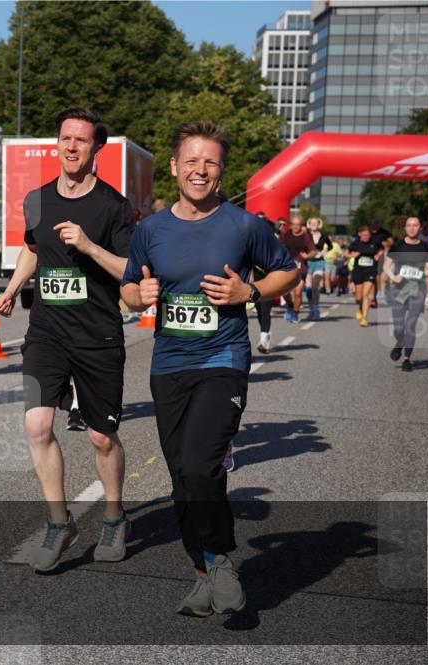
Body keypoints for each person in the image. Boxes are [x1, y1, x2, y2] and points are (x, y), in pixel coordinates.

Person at [121, 120, 297, 617]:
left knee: (199, 464)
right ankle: (202, 572)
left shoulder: (243, 226)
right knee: (182, 477)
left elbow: (289, 270)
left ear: (221, 171)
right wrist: (140, 296)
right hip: (168, 364)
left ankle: (219, 558)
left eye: (211, 162)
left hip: (223, 359)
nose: (200, 170)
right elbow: (130, 287)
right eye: (191, 161)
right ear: (175, 167)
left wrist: (252, 292)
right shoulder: (150, 230)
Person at [0, 108, 135, 571]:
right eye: (65, 138)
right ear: (57, 144)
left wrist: (91, 247)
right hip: (47, 332)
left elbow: (129, 274)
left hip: (97, 334)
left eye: (81, 140)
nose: (71, 147)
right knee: (36, 426)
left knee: (100, 437)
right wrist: (13, 289)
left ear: (97, 148)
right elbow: (32, 251)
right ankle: (60, 523)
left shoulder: (114, 207)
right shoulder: (36, 199)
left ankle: (113, 514)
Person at [384, 217, 428, 370]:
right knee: (398, 327)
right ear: (405, 228)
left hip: (418, 289)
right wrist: (393, 276)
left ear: (419, 228)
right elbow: (386, 265)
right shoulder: (398, 246)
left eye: (415, 225)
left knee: (411, 323)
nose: (412, 228)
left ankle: (406, 359)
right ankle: (399, 343)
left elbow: (427, 268)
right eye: (409, 225)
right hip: (399, 289)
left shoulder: (425, 247)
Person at [252, 214, 280, 353]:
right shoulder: (250, 241)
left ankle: (263, 338)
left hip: (270, 279)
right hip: (254, 280)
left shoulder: (274, 244)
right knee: (258, 309)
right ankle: (265, 334)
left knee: (265, 309)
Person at [279, 215, 313, 322]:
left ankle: (296, 313)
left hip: (301, 267)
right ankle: (290, 305)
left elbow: (313, 251)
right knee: (284, 291)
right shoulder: (286, 234)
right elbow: (278, 246)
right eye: (293, 224)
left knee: (298, 292)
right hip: (287, 266)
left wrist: (307, 256)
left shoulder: (305, 236)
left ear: (301, 225)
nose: (295, 227)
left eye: (297, 225)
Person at [347, 225, 383, 327]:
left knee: (365, 295)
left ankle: (365, 318)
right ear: (360, 235)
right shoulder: (356, 243)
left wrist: (378, 255)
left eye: (368, 235)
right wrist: (352, 256)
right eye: (364, 235)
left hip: (370, 270)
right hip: (358, 271)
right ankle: (360, 308)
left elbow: (381, 249)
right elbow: (346, 253)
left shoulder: (374, 242)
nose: (366, 237)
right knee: (359, 297)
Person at [305, 216, 333, 320]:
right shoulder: (306, 236)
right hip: (308, 263)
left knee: (314, 287)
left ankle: (316, 310)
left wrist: (325, 251)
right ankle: (311, 309)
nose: (313, 225)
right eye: (312, 223)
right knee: (308, 289)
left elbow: (331, 246)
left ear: (319, 224)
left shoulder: (324, 236)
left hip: (319, 263)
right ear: (309, 224)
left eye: (315, 223)